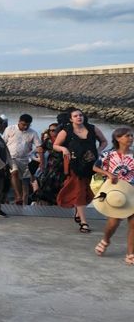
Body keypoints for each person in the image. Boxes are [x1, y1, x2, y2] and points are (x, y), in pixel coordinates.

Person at [53, 108, 108, 233]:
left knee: (89, 190)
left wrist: (99, 151)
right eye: (76, 116)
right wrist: (63, 149)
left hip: (92, 165)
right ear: (71, 118)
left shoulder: (92, 128)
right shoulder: (66, 131)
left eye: (81, 115)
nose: (79, 117)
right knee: (79, 191)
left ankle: (78, 211)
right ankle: (84, 222)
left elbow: (104, 141)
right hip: (75, 165)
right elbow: (55, 145)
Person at [92, 127, 134, 264]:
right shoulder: (108, 155)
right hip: (115, 193)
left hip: (132, 192)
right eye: (127, 136)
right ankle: (106, 239)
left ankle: (130, 254)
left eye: (131, 136)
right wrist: (108, 174)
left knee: (133, 223)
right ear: (118, 138)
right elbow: (95, 167)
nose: (130, 138)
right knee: (113, 222)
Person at [3, 114, 43, 205]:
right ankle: (18, 196)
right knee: (14, 172)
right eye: (23, 124)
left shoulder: (32, 133)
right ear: (19, 121)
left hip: (25, 159)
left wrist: (41, 162)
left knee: (25, 183)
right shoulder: (10, 129)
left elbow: (39, 147)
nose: (25, 127)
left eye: (27, 125)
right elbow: (3, 143)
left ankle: (24, 203)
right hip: (11, 157)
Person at [33, 123, 65, 205]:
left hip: (62, 164)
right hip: (51, 164)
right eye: (50, 130)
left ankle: (58, 201)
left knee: (60, 183)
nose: (52, 132)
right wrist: (42, 162)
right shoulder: (49, 141)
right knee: (47, 181)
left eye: (54, 130)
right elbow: (40, 149)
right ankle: (46, 200)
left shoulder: (64, 140)